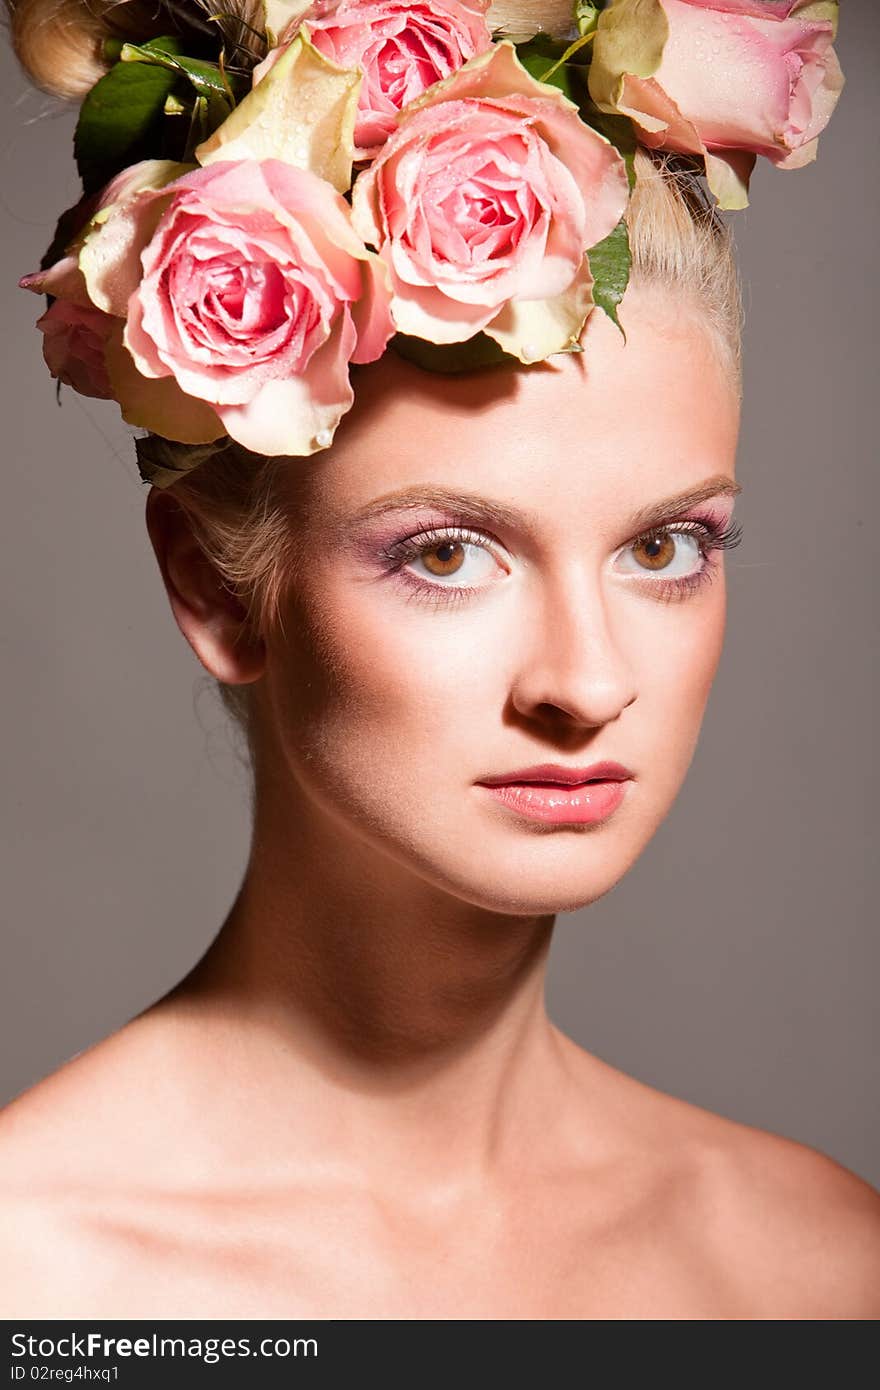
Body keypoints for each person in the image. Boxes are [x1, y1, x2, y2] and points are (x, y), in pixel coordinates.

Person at [1, 0, 878, 1319]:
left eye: (666, 546)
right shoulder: (39, 1274)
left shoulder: (817, 1266)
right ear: (213, 587)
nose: (587, 685)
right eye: (450, 553)